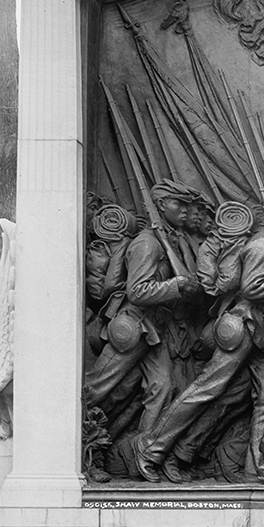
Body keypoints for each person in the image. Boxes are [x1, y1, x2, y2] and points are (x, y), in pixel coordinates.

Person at [134, 182, 264, 482]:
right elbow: (252, 287)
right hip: (243, 325)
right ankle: (150, 447)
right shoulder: (263, 244)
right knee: (205, 389)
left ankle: (257, 467)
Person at [85, 180, 202, 435]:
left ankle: (143, 450)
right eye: (178, 203)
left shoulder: (171, 241)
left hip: (154, 329)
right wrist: (176, 285)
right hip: (133, 325)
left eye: (186, 204)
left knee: (163, 387)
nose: (184, 209)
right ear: (160, 205)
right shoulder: (148, 244)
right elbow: (137, 291)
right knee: (97, 388)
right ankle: (61, 443)